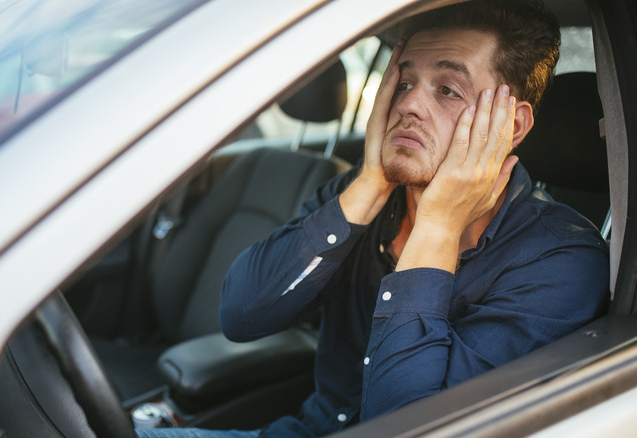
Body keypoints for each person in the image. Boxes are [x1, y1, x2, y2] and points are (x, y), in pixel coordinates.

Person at [136, 0, 609, 436]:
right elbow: (240, 315)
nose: (409, 104)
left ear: (512, 126)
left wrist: (438, 228)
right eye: (404, 83)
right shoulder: (365, 195)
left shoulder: (561, 262)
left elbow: (405, 425)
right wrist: (370, 182)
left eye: (447, 90)